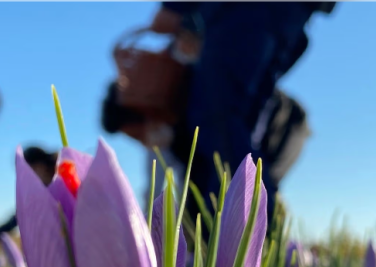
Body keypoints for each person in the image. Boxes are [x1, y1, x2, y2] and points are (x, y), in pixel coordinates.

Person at [147, 2, 333, 223]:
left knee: (218, 125)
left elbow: (163, 20)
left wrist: (182, 15)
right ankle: (243, 232)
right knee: (240, 129)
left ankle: (251, 233)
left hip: (242, 17)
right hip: (290, 21)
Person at [102, 81, 311, 207]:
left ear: (145, 111)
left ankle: (276, 258)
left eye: (138, 133)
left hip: (281, 127)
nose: (143, 141)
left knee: (256, 193)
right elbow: (155, 194)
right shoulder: (160, 144)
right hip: (244, 147)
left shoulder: (193, 97)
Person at [0, 146, 58, 245]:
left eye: (25, 172)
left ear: (40, 165)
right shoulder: (35, 199)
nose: (24, 180)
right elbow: (9, 225)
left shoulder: (68, 181)